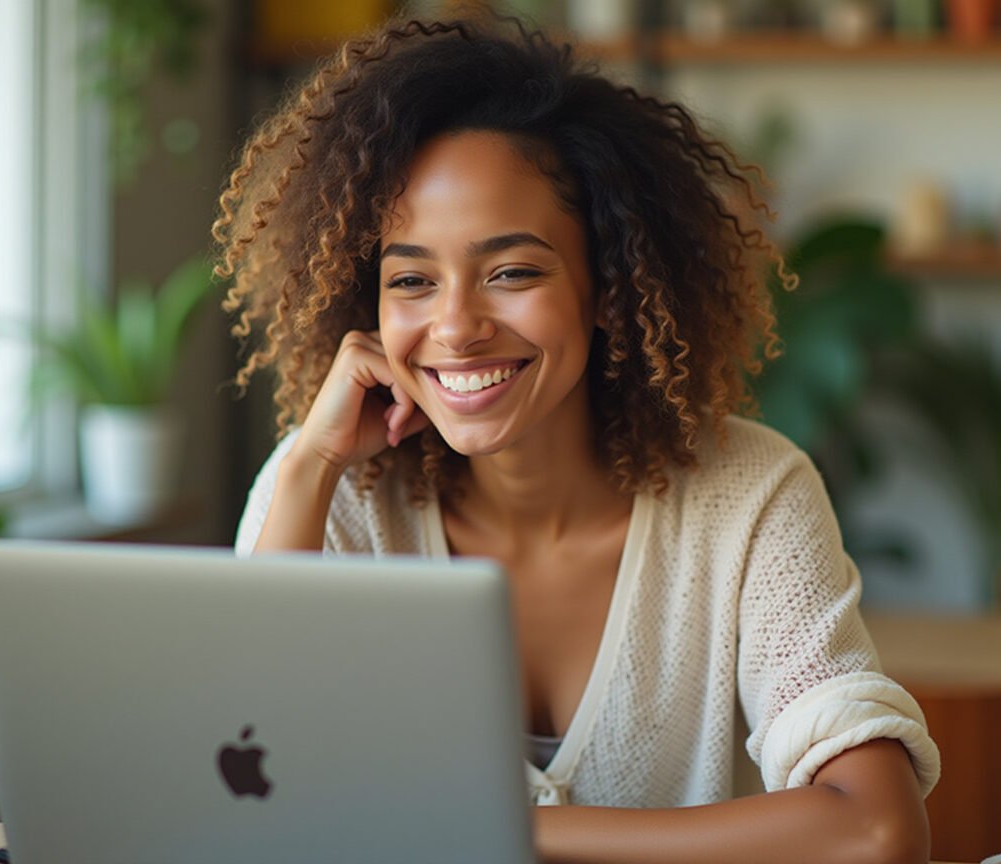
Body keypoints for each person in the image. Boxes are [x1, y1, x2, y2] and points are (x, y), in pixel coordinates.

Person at [214, 14, 940, 864]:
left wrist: (479, 831)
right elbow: (239, 800)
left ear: (610, 285)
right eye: (411, 279)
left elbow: (877, 830)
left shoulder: (750, 496)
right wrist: (309, 464)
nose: (455, 327)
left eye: (512, 271)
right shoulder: (327, 497)